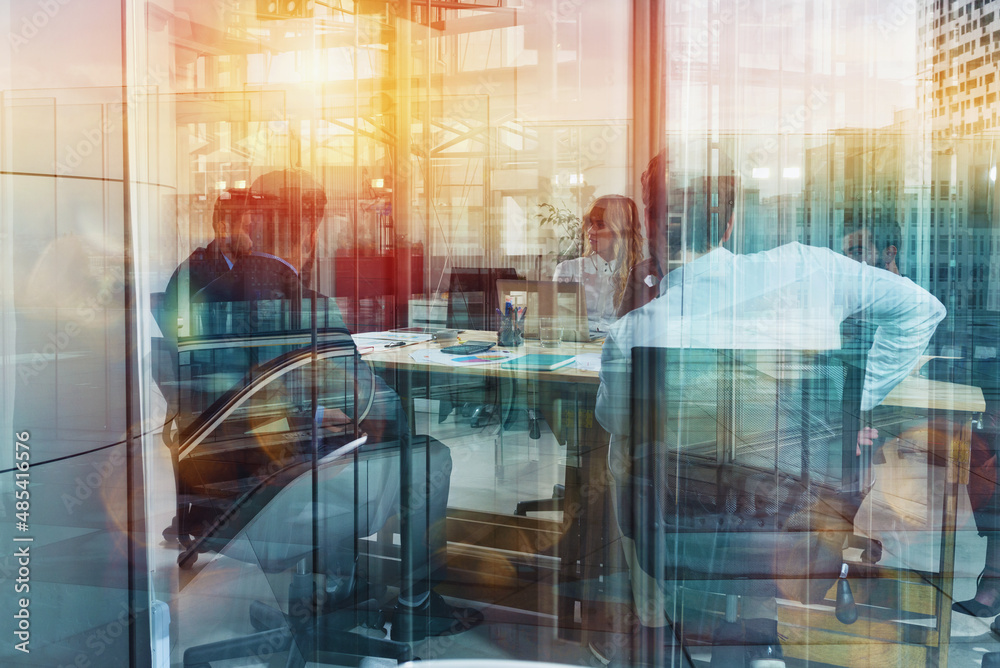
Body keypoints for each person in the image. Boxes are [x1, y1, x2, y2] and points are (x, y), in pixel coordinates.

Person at [594, 151, 946, 666]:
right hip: (797, 520)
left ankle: (659, 623)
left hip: (680, 524)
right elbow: (922, 310)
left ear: (651, 225)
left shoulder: (634, 331)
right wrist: (854, 400)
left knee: (625, 446)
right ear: (732, 219)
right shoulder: (810, 269)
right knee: (753, 473)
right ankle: (757, 628)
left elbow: (616, 419)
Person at [189, 168, 482, 643]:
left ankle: (331, 589)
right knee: (425, 453)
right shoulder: (305, 306)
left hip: (213, 496)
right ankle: (416, 604)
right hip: (277, 500)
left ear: (254, 224)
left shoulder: (201, 300)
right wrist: (344, 412)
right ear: (308, 231)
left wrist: (313, 414)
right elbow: (383, 414)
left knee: (336, 442)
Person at [553, 195, 657, 331]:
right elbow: (553, 321)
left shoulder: (640, 276)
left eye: (600, 225)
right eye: (590, 223)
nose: (590, 231)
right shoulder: (568, 270)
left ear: (619, 230)